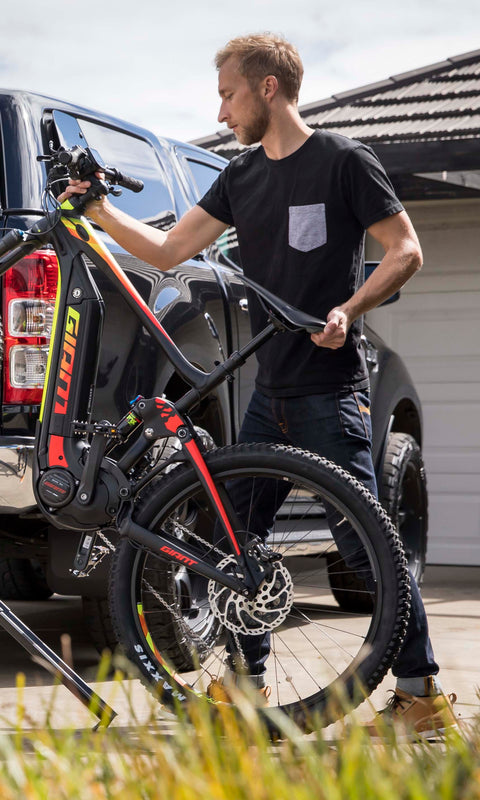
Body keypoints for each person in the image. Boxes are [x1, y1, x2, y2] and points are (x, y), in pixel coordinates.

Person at [60, 32, 456, 737]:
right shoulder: (242, 177)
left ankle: (422, 697)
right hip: (267, 390)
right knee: (235, 544)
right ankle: (245, 688)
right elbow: (169, 251)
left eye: (229, 93)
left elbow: (406, 250)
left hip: (329, 389)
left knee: (370, 547)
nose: (222, 108)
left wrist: (348, 308)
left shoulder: (342, 161)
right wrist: (99, 214)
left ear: (267, 88)